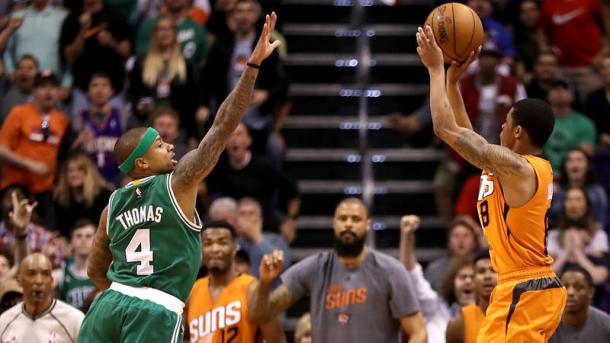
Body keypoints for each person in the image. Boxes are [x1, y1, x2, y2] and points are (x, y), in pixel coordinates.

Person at [77, 13, 280, 343]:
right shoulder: (178, 182)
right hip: (155, 309)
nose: (169, 145)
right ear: (141, 163)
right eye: (159, 145)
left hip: (107, 307)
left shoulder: (112, 205)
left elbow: (94, 271)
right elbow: (223, 125)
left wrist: (122, 296)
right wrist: (252, 68)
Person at [416, 26, 565, 341]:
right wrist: (453, 83)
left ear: (518, 132)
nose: (501, 125)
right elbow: (465, 134)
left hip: (526, 289)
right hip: (518, 287)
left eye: (506, 121)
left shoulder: (521, 168)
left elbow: (445, 129)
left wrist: (434, 70)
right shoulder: (508, 168)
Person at [248, 198, 428, 342]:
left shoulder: (391, 270)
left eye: (356, 219)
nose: (348, 224)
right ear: (334, 224)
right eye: (343, 219)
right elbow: (259, 315)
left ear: (367, 225)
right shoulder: (316, 267)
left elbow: (419, 333)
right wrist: (265, 282)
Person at [186, 221, 285, 342]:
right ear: (201, 249)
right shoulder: (192, 292)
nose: (215, 248)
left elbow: (277, 340)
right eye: (208, 243)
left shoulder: (252, 288)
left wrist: (265, 284)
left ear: (234, 248)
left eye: (222, 242)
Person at [0, 71, 70, 227]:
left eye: (53, 87)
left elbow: (62, 156)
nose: (48, 91)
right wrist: (30, 164)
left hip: (46, 190)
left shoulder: (62, 120)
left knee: (49, 233)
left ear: (59, 92)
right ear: (33, 91)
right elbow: (2, 149)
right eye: (43, 87)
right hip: (16, 185)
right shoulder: (19, 113)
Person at [400, 214, 474, 342]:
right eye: (462, 277)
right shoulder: (434, 306)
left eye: (472, 277)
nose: (468, 281)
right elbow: (411, 273)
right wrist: (407, 237)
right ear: (452, 282)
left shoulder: (490, 313)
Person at [128, 15, 201, 137]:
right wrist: (139, 106)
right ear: (155, 34)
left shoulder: (185, 64)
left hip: (179, 127)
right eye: (161, 29)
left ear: (174, 33)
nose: (165, 33)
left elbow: (193, 97)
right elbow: (133, 93)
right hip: (147, 123)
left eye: (168, 29)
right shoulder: (141, 62)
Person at [0, 253, 85, 342]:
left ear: (52, 280)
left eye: (45, 274)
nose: (39, 281)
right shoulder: (4, 321)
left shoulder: (74, 319)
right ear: (19, 280)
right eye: (31, 274)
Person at [71, 72, 125, 184]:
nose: (99, 90)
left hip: (118, 183)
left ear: (112, 91)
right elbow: (67, 157)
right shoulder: (78, 120)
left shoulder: (123, 116)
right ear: (88, 92)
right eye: (95, 85)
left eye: (104, 85)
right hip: (88, 184)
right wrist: (77, 143)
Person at [53, 152, 113, 237]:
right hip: (71, 246)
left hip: (100, 241)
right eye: (70, 171)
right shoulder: (60, 198)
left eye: (79, 170)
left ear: (87, 173)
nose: (74, 174)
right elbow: (61, 231)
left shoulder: (103, 195)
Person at [544, 78, 597, 172]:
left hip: (571, 175)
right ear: (548, 95)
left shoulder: (584, 123)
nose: (559, 91)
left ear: (573, 96)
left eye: (564, 88)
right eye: (554, 88)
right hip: (541, 172)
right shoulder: (538, 120)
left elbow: (589, 151)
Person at [446, 252, 497, 343]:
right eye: (481, 271)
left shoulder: (517, 316)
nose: (487, 276)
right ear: (474, 279)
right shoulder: (459, 324)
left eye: (493, 270)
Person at [549, 266, 610, 342]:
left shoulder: (606, 325)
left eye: (578, 287)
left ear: (591, 292)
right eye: (565, 286)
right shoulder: (544, 324)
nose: (570, 292)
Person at [550, 149, 608, 227]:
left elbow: (601, 222)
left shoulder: (597, 193)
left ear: (588, 166)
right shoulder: (556, 191)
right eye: (570, 160)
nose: (575, 165)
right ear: (564, 166)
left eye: (580, 160)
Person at [236, 197, 291, 277]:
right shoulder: (232, 244)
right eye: (242, 214)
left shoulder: (276, 240)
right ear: (236, 220)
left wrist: (256, 236)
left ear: (260, 218)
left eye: (251, 213)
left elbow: (283, 265)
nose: (246, 218)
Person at [424, 216, 481, 291]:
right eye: (456, 236)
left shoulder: (481, 267)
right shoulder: (434, 269)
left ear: (475, 242)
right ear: (449, 242)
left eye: (466, 235)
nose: (461, 240)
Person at [58, 220, 96, 311]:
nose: (83, 240)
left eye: (88, 236)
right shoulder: (60, 275)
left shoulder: (106, 273)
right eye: (79, 236)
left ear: (96, 241)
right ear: (71, 242)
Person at [0, 54, 38, 124]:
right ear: (15, 72)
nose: (24, 72)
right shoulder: (5, 88)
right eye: (20, 68)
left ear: (37, 73)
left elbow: (46, 121)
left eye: (30, 68)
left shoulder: (42, 96)